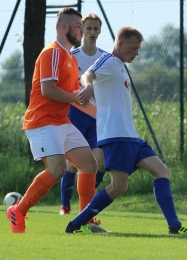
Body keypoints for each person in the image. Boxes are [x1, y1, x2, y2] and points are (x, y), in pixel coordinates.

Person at [65, 26, 187, 235]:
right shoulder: (108, 61)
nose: (136, 53)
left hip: (131, 137)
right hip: (116, 135)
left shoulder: (120, 65)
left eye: (138, 49)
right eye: (133, 48)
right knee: (119, 187)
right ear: (119, 44)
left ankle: (175, 226)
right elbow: (88, 75)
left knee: (162, 172)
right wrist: (89, 86)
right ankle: (76, 224)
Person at [6, 8, 100, 234]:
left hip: (60, 121)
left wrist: (105, 117)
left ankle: (85, 223)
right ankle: (18, 211)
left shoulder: (68, 56)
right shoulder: (53, 53)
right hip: (42, 122)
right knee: (57, 169)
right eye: (78, 26)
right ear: (64, 27)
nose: (81, 31)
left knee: (89, 165)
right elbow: (48, 90)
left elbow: (76, 99)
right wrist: (79, 96)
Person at [59, 13, 106, 216]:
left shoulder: (105, 58)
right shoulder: (73, 56)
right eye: (89, 28)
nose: (92, 32)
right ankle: (65, 205)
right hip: (75, 115)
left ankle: (87, 206)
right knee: (72, 164)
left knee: (99, 162)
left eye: (96, 29)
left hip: (98, 118)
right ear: (81, 30)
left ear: (100, 31)